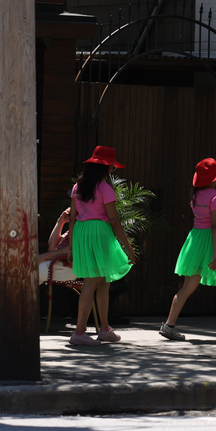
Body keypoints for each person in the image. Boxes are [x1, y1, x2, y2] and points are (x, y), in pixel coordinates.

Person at [159, 158, 216, 341]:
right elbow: (215, 226)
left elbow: (205, 222)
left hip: (196, 241)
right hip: (213, 241)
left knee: (187, 287)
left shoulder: (197, 196)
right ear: (213, 179)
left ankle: (169, 325)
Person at [67, 145, 135, 346]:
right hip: (99, 233)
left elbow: (72, 217)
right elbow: (114, 221)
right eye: (113, 166)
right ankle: (79, 332)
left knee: (104, 281)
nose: (113, 170)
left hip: (81, 232)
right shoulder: (105, 189)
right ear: (107, 167)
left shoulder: (78, 187)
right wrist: (128, 248)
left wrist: (71, 246)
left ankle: (105, 329)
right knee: (92, 282)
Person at [38, 208, 76, 284]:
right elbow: (52, 248)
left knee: (27, 272)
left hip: (69, 268)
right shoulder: (72, 230)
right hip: (59, 263)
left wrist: (45, 256)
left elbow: (76, 247)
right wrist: (60, 222)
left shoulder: (86, 227)